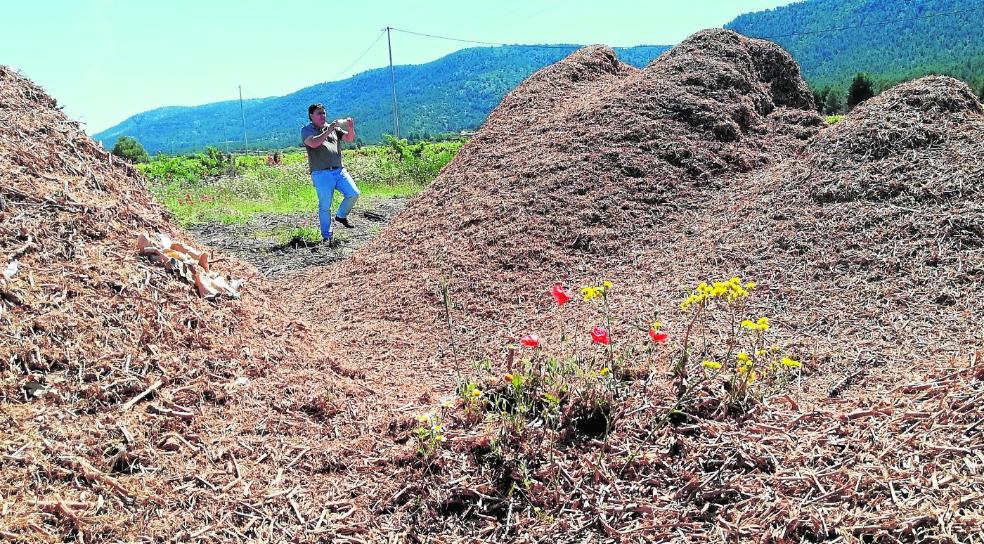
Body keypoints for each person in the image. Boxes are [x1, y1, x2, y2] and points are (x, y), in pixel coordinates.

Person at [301, 103, 359, 243]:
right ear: (311, 116)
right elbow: (314, 143)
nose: (323, 116)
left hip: (339, 170)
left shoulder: (333, 128)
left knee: (353, 193)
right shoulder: (306, 130)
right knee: (325, 206)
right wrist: (328, 130)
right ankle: (327, 236)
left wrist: (350, 127)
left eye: (324, 113)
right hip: (321, 173)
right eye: (319, 113)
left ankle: (341, 215)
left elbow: (349, 139)